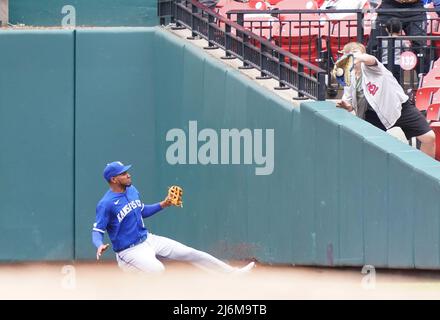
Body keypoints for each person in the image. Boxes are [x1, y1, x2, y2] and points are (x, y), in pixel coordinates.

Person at [92, 161, 256, 274]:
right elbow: (97, 230)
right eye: (123, 173)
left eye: (127, 172)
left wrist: (164, 204)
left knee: (191, 253)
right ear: (113, 179)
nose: (128, 175)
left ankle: (232, 274)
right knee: (158, 271)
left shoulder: (132, 190)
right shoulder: (106, 204)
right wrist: (98, 244)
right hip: (129, 252)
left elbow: (141, 211)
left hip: (148, 239)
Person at [336, 42, 436, 158]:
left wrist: (358, 57)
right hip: (372, 115)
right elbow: (349, 102)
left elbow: (371, 59)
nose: (352, 55)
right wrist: (347, 106)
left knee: (429, 137)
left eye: (355, 52)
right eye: (348, 53)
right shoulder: (349, 76)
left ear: (363, 54)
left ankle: (424, 170)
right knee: (369, 150)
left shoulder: (372, 67)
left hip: (398, 107)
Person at [367, 0, 429, 75]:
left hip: (415, 9)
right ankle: (371, 78)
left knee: (420, 46)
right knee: (374, 44)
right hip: (389, 7)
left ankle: (423, 80)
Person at [381, 17, 410, 83]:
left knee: (386, 82)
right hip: (397, 64)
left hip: (384, 63)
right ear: (400, 30)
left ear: (386, 29)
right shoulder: (401, 40)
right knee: (397, 82)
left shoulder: (383, 40)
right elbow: (407, 49)